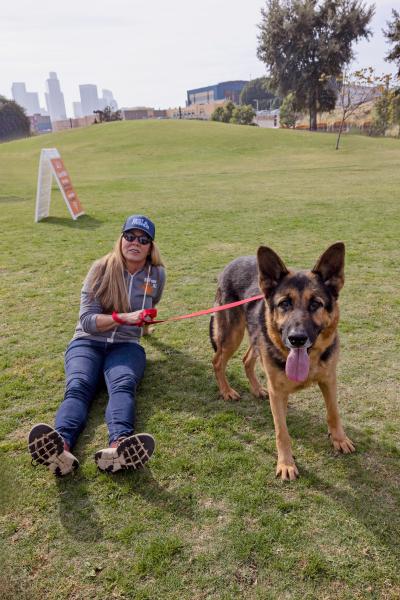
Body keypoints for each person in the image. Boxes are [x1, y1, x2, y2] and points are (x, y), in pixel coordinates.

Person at [28, 215, 166, 476]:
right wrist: (124, 317)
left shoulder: (157, 274)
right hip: (87, 342)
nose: (135, 242)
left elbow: (151, 304)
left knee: (123, 385)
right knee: (79, 386)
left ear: (150, 246)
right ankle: (61, 447)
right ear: (121, 239)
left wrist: (145, 324)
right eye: (130, 236)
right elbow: (87, 321)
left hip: (126, 345)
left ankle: (120, 446)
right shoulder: (101, 269)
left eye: (143, 239)